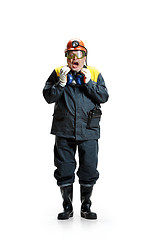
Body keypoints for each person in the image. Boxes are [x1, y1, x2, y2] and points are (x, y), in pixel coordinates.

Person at [43, 38, 109, 220]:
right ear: (66, 58)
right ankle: (67, 206)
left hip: (88, 130)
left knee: (89, 169)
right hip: (63, 130)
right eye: (70, 54)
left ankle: (86, 206)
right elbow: (48, 97)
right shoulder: (58, 73)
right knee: (64, 169)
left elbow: (104, 96)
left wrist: (89, 83)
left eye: (78, 54)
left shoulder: (94, 73)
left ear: (85, 57)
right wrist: (61, 83)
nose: (74, 58)